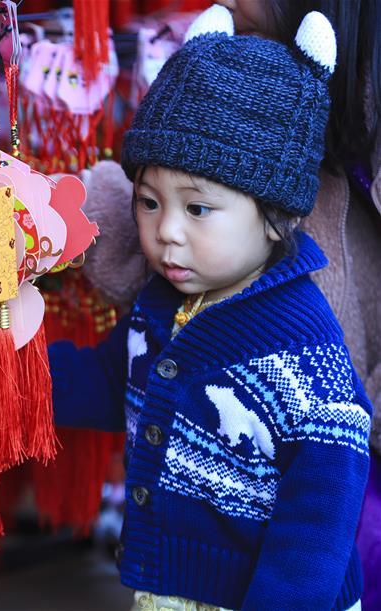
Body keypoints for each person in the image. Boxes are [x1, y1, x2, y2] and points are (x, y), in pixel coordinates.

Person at [50, 6, 371, 610]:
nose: (165, 231)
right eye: (148, 201)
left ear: (278, 218)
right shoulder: (165, 305)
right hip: (170, 589)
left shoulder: (304, 359)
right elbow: (108, 379)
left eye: (197, 209)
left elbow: (316, 534)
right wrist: (10, 374)